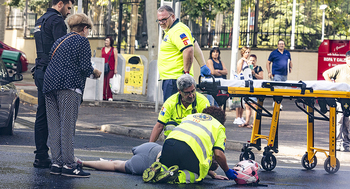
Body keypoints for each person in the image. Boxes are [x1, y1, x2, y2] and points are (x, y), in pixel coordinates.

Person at [43, 13, 102, 177]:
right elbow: (85, 67)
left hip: (49, 84)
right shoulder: (82, 41)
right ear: (85, 28)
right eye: (88, 30)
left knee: (54, 126)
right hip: (68, 86)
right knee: (67, 125)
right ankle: (69, 165)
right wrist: (95, 73)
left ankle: (56, 162)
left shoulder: (59, 41)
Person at [144, 106, 238, 183]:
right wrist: (227, 170)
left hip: (169, 145)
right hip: (189, 151)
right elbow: (218, 154)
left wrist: (213, 174)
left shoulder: (191, 116)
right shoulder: (219, 126)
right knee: (196, 175)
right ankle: (177, 178)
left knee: (169, 165)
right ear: (221, 121)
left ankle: (159, 170)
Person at [33, 0, 74, 169]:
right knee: (56, 116)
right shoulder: (57, 21)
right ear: (60, 4)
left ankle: (41, 155)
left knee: (42, 114)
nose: (69, 12)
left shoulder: (40, 20)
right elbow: (62, 50)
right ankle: (60, 159)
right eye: (68, 8)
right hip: (52, 73)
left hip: (39, 71)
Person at [79, 142, 227, 181]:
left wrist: (213, 174)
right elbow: (202, 169)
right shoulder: (195, 167)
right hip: (146, 163)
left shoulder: (196, 152)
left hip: (150, 147)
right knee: (116, 165)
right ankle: (83, 162)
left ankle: (83, 162)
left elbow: (205, 165)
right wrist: (213, 175)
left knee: (116, 163)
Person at [157, 5, 211, 102]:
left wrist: (186, 73)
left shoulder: (177, 30)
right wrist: (203, 65)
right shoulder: (174, 29)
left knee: (173, 111)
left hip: (175, 79)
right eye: (159, 20)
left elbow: (189, 49)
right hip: (174, 78)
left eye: (164, 19)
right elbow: (194, 44)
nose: (161, 23)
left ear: (172, 16)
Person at [149, 74, 210, 142]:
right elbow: (159, 126)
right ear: (179, 91)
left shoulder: (203, 101)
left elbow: (208, 126)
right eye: (187, 93)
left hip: (194, 137)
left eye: (193, 91)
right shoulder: (170, 102)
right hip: (176, 138)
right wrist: (149, 146)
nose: (191, 95)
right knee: (170, 126)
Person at [322, 50, 350, 152]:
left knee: (348, 121)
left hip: (349, 100)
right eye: (349, 59)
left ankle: (346, 144)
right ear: (346, 59)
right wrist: (332, 86)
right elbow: (326, 73)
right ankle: (337, 143)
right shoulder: (340, 68)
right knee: (339, 120)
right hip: (340, 99)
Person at [266, 39, 292, 110]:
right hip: (276, 73)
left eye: (282, 44)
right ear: (277, 45)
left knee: (282, 89)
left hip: (284, 74)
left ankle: (278, 102)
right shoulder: (274, 53)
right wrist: (269, 72)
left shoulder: (287, 53)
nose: (281, 45)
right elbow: (268, 63)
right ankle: (276, 102)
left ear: (284, 45)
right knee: (277, 89)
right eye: (280, 44)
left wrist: (290, 67)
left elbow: (290, 61)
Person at [242, 54, 263, 128]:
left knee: (254, 105)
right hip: (248, 87)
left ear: (256, 61)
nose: (252, 62)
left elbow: (261, 78)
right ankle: (247, 121)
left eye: (253, 60)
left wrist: (254, 74)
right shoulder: (246, 68)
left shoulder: (258, 68)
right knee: (247, 105)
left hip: (255, 88)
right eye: (251, 60)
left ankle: (254, 123)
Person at [233, 47, 251, 126]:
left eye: (248, 52)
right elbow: (239, 72)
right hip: (241, 81)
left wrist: (250, 64)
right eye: (246, 52)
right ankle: (237, 117)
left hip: (246, 82)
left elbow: (251, 70)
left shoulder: (248, 61)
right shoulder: (241, 61)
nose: (247, 54)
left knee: (243, 100)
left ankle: (241, 116)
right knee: (238, 100)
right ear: (243, 53)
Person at [102, 36, 118, 101]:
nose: (106, 42)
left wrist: (115, 69)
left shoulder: (114, 49)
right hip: (104, 67)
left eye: (107, 41)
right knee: (103, 82)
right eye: (105, 41)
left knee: (109, 82)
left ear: (110, 42)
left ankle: (109, 96)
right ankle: (103, 96)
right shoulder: (102, 49)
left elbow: (116, 59)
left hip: (111, 68)